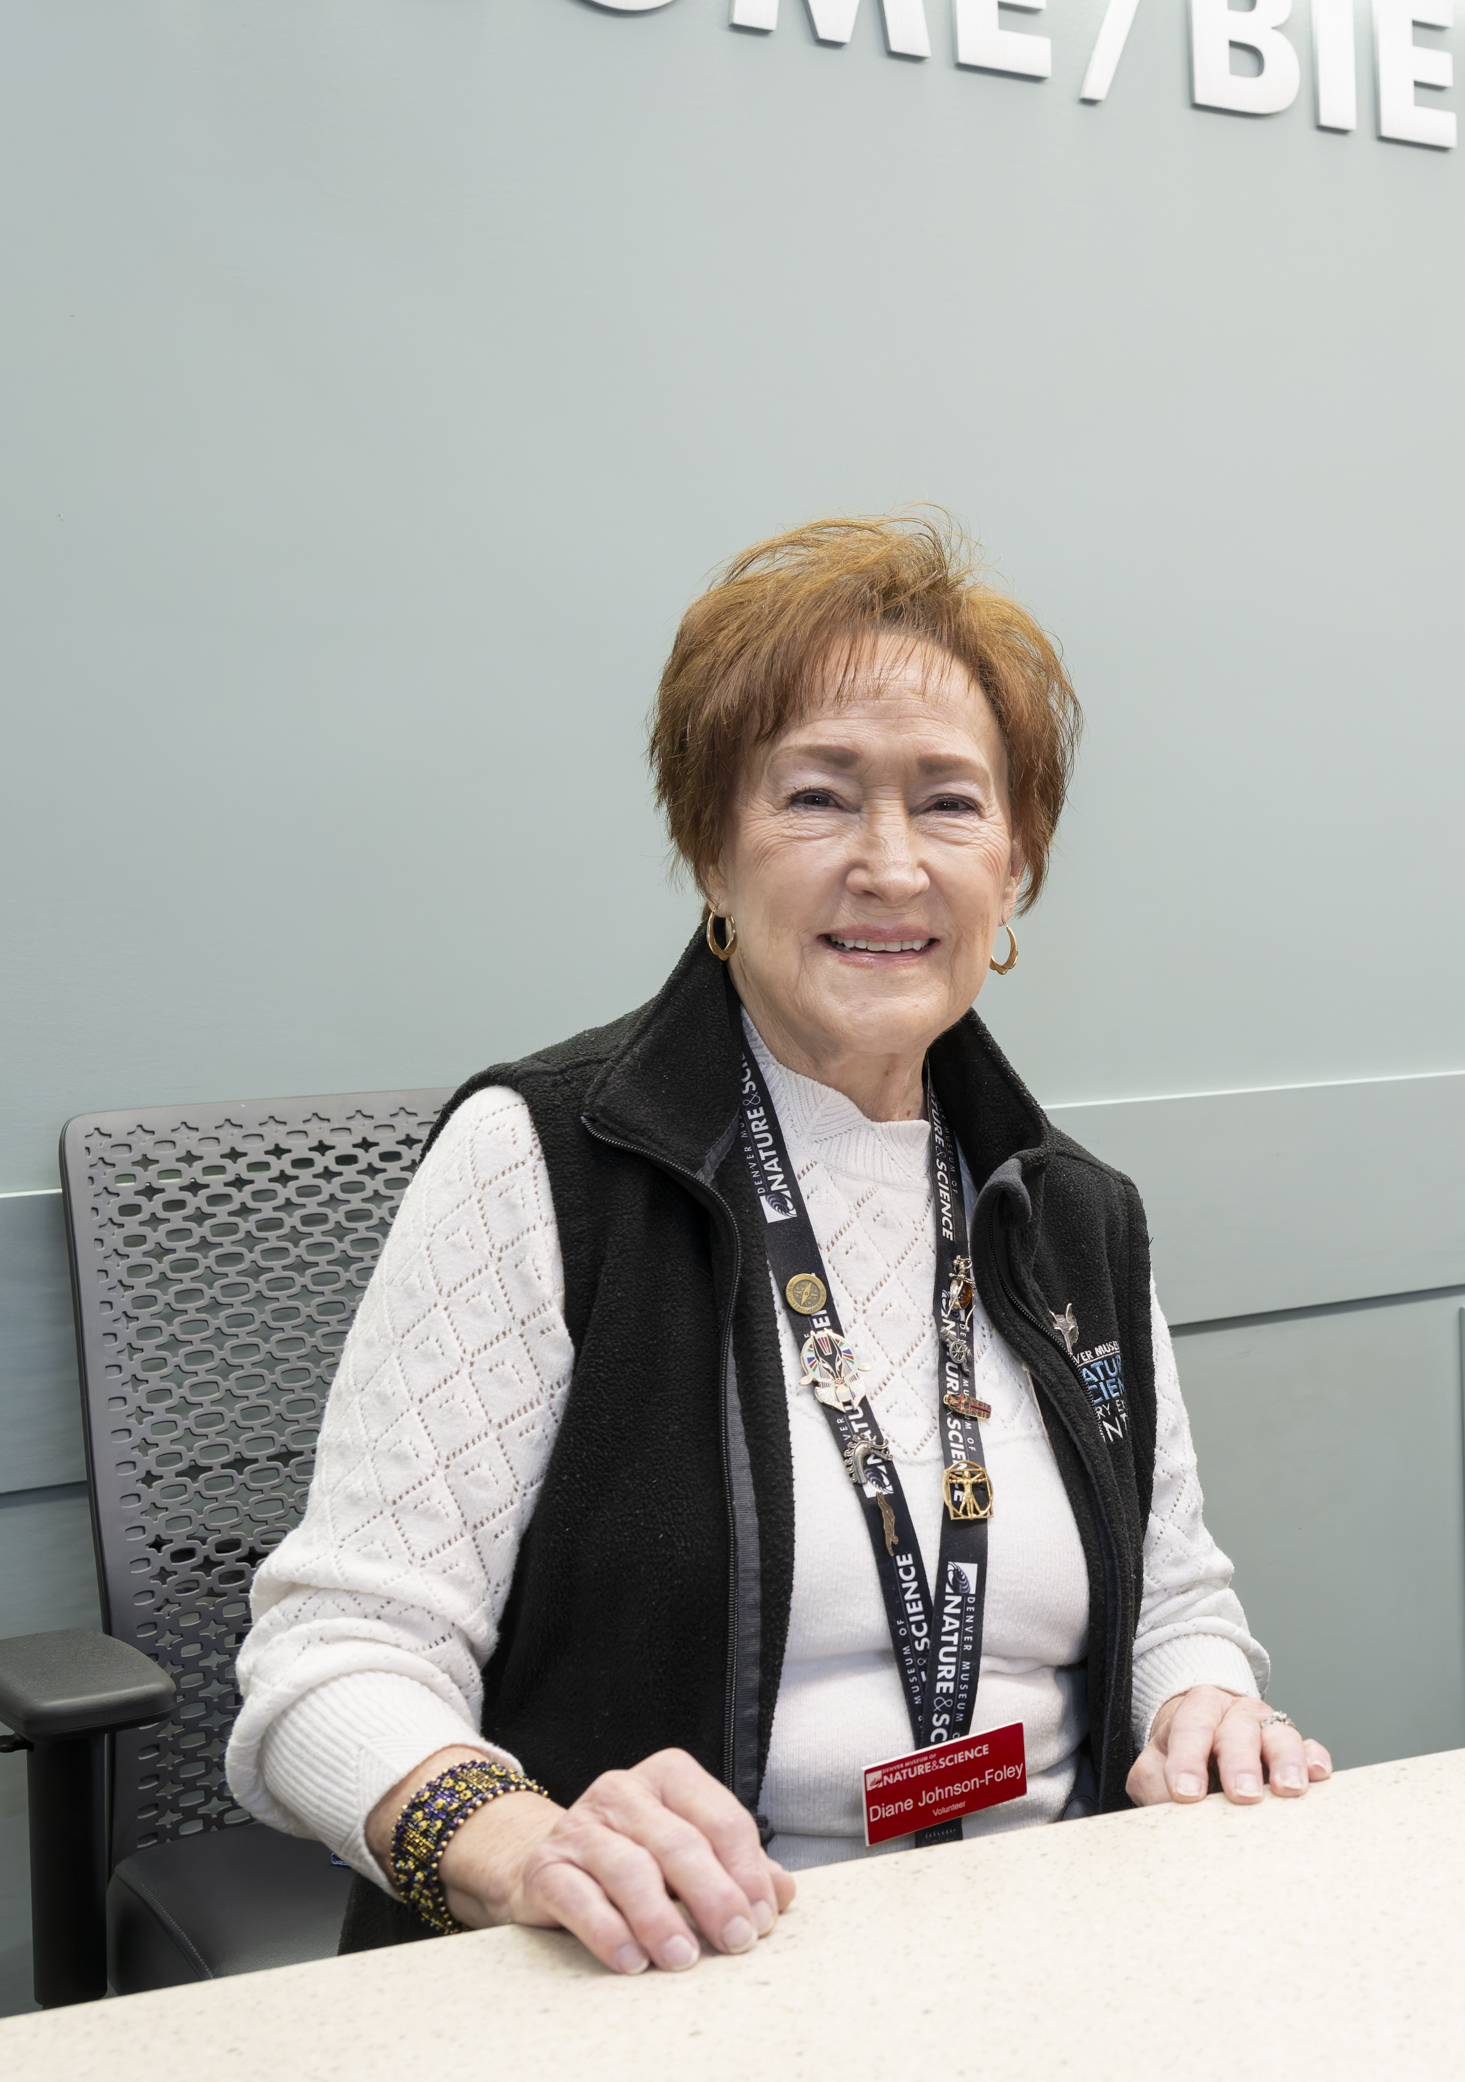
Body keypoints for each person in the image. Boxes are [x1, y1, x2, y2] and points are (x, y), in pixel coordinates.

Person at [228, 516, 1330, 1970]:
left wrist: (1202, 1701)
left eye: (948, 803)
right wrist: (523, 1844)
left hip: (1055, 1951)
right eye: (817, 798)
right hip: (684, 1971)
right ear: (711, 846)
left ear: (1016, 863)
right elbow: (329, 1664)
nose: (888, 863)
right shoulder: (543, 1163)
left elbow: (1177, 1598)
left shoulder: (1074, 1212)